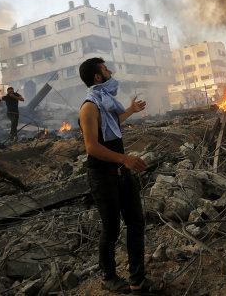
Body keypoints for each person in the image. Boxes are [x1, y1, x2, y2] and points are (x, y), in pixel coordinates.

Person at [78, 57, 165, 294]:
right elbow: (92, 147)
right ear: (98, 77)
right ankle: (108, 277)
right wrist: (125, 159)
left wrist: (130, 111)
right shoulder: (89, 107)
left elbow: (112, 124)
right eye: (106, 70)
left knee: (136, 222)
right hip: (103, 177)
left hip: (122, 174)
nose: (111, 72)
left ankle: (137, 280)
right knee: (112, 229)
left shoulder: (105, 102)